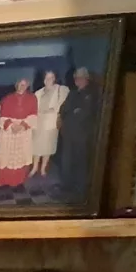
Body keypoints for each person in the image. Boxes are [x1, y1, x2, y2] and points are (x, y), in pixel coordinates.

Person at [53, 65, 101, 195]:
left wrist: (71, 114)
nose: (77, 81)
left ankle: (80, 187)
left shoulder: (91, 94)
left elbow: (84, 112)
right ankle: (67, 185)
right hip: (68, 133)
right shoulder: (73, 92)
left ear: (86, 79)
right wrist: (60, 117)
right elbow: (64, 108)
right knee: (66, 160)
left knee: (80, 160)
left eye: (80, 78)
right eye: (76, 78)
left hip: (82, 134)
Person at [0, 76, 39, 188]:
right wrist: (12, 125)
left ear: (27, 86)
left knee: (20, 156)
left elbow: (33, 115)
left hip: (23, 132)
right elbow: (2, 115)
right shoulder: (7, 98)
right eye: (20, 84)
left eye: (25, 84)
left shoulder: (32, 98)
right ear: (16, 85)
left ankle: (18, 181)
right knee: (6, 156)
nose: (22, 86)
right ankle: (4, 181)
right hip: (9, 132)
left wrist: (22, 125)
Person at [32, 68, 69, 177]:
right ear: (44, 80)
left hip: (51, 123)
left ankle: (43, 168)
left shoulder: (60, 90)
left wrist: (54, 110)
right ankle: (34, 168)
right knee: (36, 146)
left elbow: (62, 103)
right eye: (47, 78)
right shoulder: (38, 93)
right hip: (38, 122)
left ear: (55, 79)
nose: (49, 80)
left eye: (51, 77)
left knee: (48, 146)